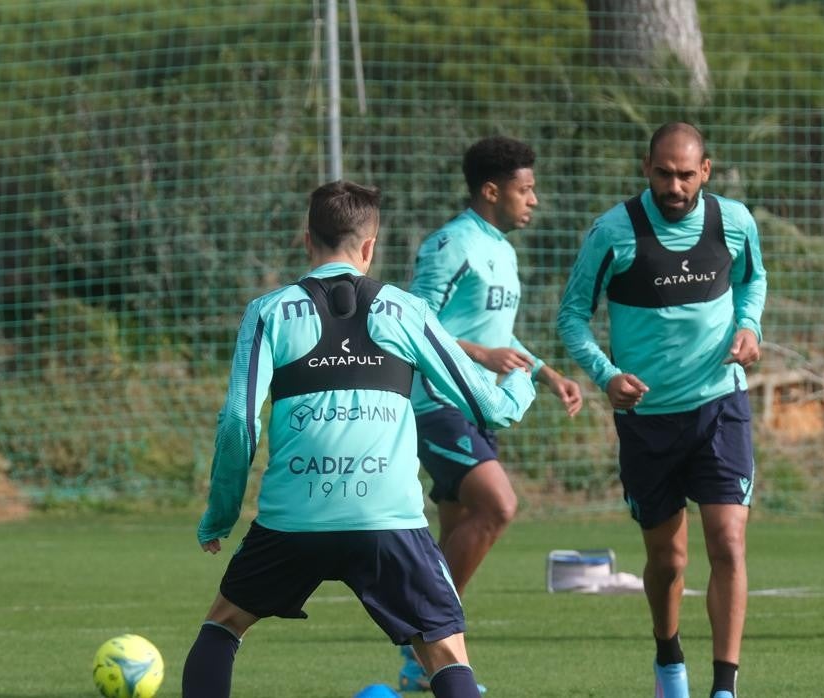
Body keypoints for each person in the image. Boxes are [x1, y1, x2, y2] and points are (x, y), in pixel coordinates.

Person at [181, 181, 536, 698]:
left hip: (293, 518)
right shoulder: (407, 310)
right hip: (387, 520)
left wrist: (221, 514)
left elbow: (239, 420)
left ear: (308, 241)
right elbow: (489, 408)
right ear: (370, 246)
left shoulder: (269, 311)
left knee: (223, 624)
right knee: (445, 651)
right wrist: (523, 378)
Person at [557, 122, 766, 698]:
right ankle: (669, 657)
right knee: (668, 560)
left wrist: (749, 326)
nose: (674, 185)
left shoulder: (735, 222)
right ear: (645, 169)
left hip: (720, 406)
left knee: (728, 542)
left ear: (706, 170)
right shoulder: (613, 233)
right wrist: (605, 375)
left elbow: (753, 281)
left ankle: (724, 686)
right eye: (662, 173)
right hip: (648, 422)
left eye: (685, 173)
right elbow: (571, 315)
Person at [399, 135, 583, 690]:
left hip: (478, 407)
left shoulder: (501, 249)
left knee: (458, 534)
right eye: (525, 190)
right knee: (499, 506)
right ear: (490, 190)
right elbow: (412, 323)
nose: (534, 200)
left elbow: (493, 335)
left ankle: (426, 665)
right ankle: (421, 637)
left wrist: (546, 374)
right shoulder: (450, 245)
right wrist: (479, 355)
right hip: (439, 404)